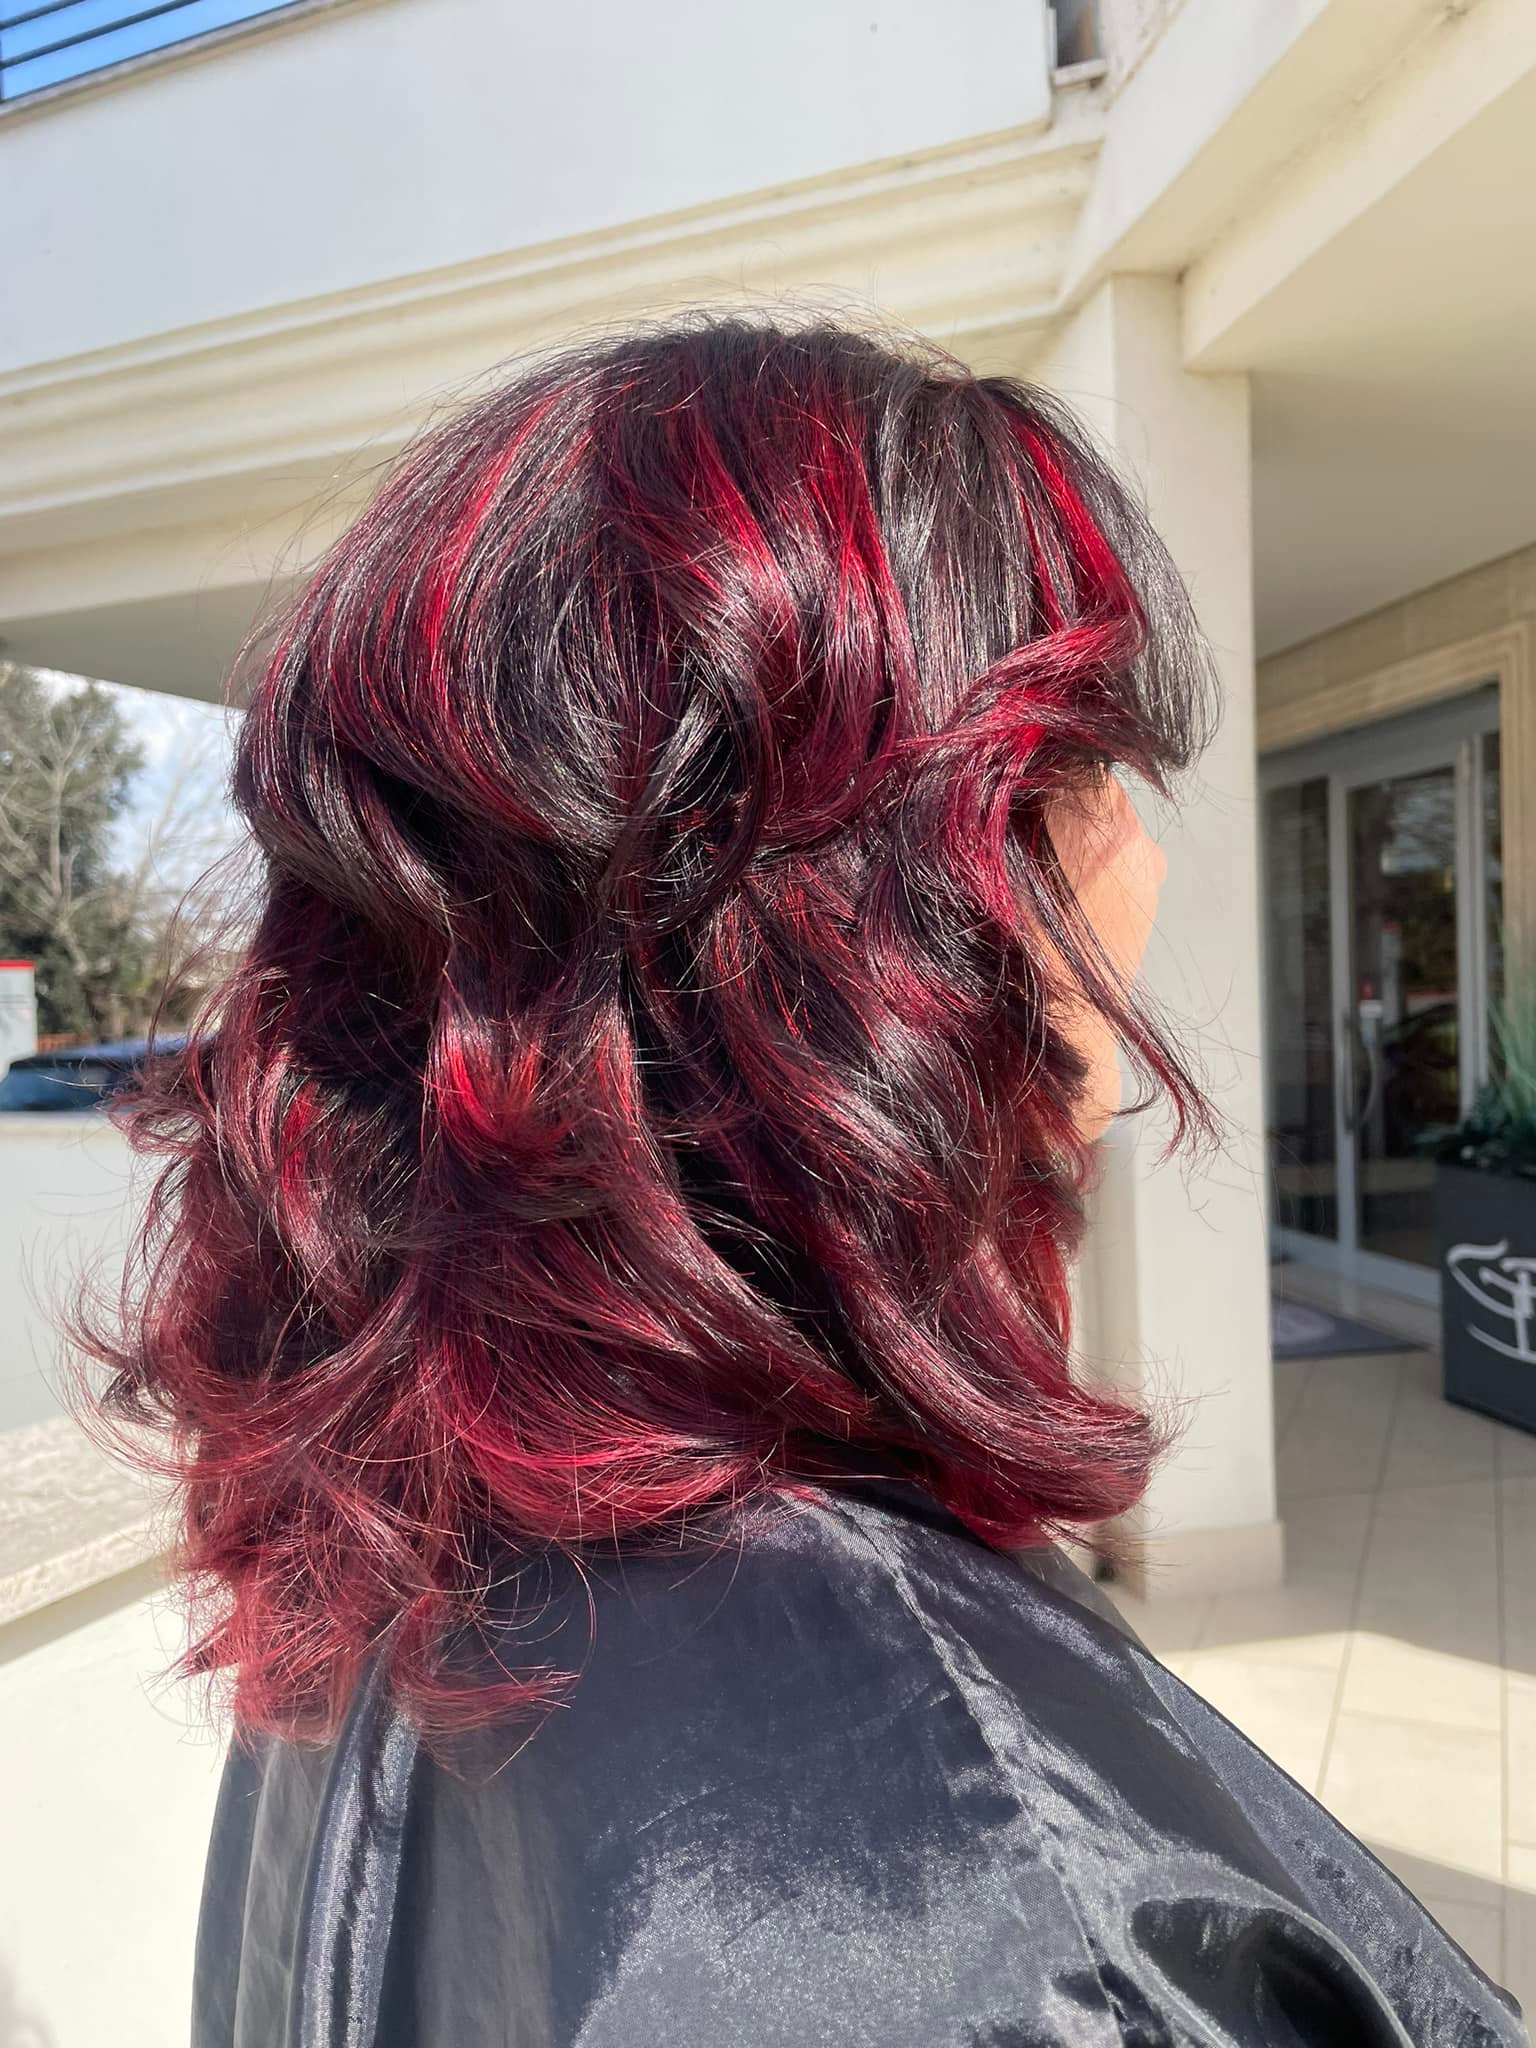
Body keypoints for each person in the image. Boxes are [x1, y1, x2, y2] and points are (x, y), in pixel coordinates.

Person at [85, 317, 1523, 2046]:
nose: (1139, 861)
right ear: (890, 927)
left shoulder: (395, 1567)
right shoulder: (992, 1913)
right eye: (1085, 768)